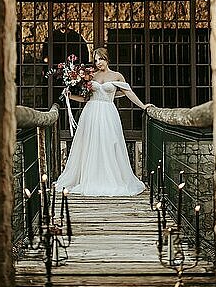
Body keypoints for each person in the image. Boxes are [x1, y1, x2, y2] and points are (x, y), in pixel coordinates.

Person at [55, 47, 150, 196]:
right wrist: (70, 95)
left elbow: (128, 93)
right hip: (91, 113)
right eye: (96, 60)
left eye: (101, 59)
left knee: (109, 143)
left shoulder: (117, 76)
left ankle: (109, 179)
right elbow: (85, 98)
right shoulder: (90, 76)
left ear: (107, 58)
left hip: (108, 113)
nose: (98, 62)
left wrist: (143, 106)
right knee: (91, 144)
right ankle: (91, 178)